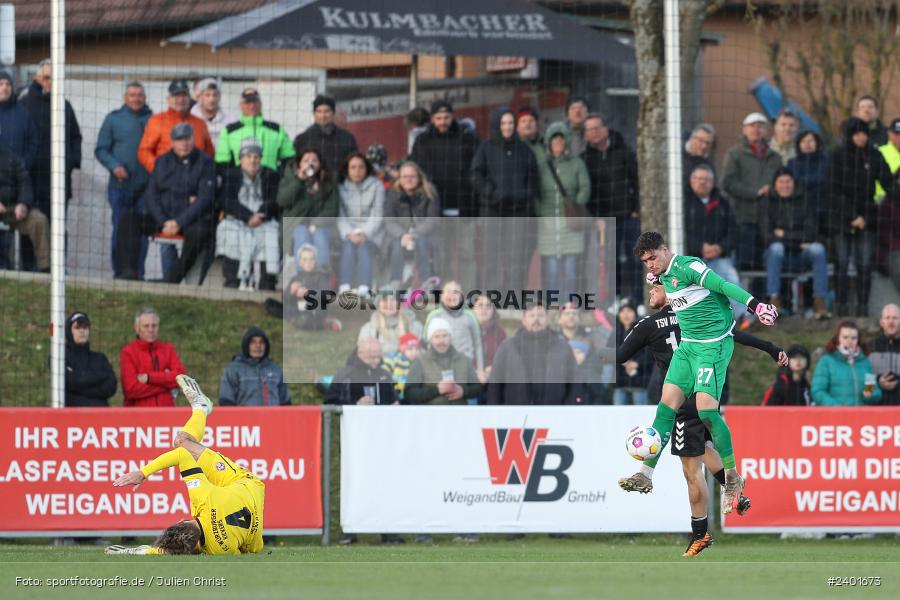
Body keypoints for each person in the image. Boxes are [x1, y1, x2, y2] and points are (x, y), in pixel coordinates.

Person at [616, 283, 784, 555]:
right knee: (703, 450)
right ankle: (734, 490)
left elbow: (620, 356)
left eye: (654, 289)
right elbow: (731, 335)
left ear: (669, 293)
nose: (650, 294)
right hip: (708, 388)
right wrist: (770, 348)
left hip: (684, 400)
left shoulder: (649, 323)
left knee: (691, 472)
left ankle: (700, 533)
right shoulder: (696, 315)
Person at [618, 231, 779, 514]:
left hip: (713, 347)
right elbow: (665, 282)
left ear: (665, 250)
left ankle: (732, 478)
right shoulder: (663, 274)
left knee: (706, 412)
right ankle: (645, 473)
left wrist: (755, 305)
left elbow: (724, 285)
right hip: (688, 348)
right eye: (645, 261)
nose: (650, 264)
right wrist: (657, 277)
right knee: (666, 406)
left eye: (653, 257)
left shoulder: (690, 267)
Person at [107, 375, 265, 555]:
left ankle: (201, 407)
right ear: (181, 522)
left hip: (255, 525)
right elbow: (182, 454)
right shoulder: (202, 496)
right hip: (244, 482)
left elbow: (175, 550)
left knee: (248, 542)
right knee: (182, 442)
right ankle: (201, 407)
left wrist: (134, 552)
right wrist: (143, 472)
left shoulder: (219, 550)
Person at [117, 123, 216, 283]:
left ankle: (172, 279)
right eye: (179, 140)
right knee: (129, 219)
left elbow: (205, 198)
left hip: (189, 221)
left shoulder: (205, 162)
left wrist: (179, 222)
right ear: (172, 142)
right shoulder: (162, 161)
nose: (184, 143)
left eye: (187, 139)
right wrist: (163, 220)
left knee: (201, 232)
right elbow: (151, 194)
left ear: (193, 139)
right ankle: (128, 272)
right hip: (163, 219)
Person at [827, 117, 893, 316]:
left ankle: (863, 307)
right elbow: (833, 190)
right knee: (842, 262)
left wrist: (863, 216)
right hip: (841, 219)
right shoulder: (837, 156)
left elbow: (888, 183)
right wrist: (852, 216)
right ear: (849, 135)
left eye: (864, 133)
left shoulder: (874, 155)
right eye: (856, 133)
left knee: (865, 263)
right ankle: (841, 306)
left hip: (867, 218)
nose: (861, 137)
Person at [410, 100, 479, 290]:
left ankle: (469, 293)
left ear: (453, 117)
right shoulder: (422, 142)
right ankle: (444, 295)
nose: (443, 121)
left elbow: (477, 173)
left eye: (446, 117)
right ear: (432, 119)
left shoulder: (467, 139)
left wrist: (472, 200)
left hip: (464, 209)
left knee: (467, 255)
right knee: (441, 256)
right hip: (435, 212)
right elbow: (416, 174)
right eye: (439, 118)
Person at [471, 106, 538, 292]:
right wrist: (490, 192)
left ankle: (513, 299)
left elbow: (533, 178)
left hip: (518, 213)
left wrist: (524, 194)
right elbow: (476, 175)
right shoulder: (485, 148)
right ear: (496, 125)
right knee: (491, 258)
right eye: (503, 123)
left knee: (515, 259)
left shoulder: (524, 150)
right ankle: (491, 299)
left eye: (510, 123)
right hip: (492, 211)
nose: (507, 127)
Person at [582, 112, 641, 302]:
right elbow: (586, 192)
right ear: (585, 135)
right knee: (609, 261)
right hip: (604, 220)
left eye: (597, 127)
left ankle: (638, 299)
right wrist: (594, 217)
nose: (595, 132)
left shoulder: (624, 152)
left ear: (606, 129)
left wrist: (637, 208)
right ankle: (613, 300)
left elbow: (638, 180)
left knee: (636, 258)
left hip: (628, 215)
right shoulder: (584, 159)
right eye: (590, 129)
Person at [95, 82, 153, 277]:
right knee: (120, 230)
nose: (136, 98)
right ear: (125, 97)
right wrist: (114, 166)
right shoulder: (113, 119)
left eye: (139, 95)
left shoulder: (153, 120)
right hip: (120, 187)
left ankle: (138, 273)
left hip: (146, 189)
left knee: (143, 233)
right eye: (132, 95)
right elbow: (101, 149)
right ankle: (119, 273)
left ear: (145, 98)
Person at [759, 166, 829, 318]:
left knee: (818, 249)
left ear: (794, 183)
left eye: (788, 181)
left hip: (801, 256)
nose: (785, 185)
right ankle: (774, 299)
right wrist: (797, 241)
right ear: (775, 184)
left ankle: (820, 301)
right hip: (776, 257)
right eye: (781, 182)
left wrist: (783, 234)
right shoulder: (766, 202)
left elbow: (811, 233)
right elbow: (767, 236)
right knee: (776, 248)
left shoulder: (805, 200)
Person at [215, 138, 281, 290]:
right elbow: (226, 200)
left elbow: (275, 199)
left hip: (263, 220)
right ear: (241, 159)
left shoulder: (270, 175)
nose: (253, 160)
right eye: (248, 156)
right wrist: (247, 217)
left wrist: (260, 215)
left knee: (271, 235)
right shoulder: (231, 174)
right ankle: (233, 281)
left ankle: (267, 282)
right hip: (237, 219)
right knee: (227, 230)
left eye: (256, 156)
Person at [20, 59, 82, 219]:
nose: (51, 82)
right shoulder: (24, 105)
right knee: (32, 232)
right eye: (47, 78)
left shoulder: (64, 105)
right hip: (31, 181)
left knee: (59, 230)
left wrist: (71, 161)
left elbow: (75, 136)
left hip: (59, 181)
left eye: (55, 78)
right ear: (37, 78)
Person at [536, 122, 590, 304]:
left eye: (561, 139)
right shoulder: (542, 166)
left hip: (571, 224)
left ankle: (569, 307)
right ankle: (552, 306)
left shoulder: (577, 164)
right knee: (550, 270)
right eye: (554, 140)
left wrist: (575, 204)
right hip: (548, 226)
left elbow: (585, 187)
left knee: (571, 271)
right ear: (549, 143)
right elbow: (535, 192)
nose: (558, 143)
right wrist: (540, 212)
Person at [683, 164, 744, 324]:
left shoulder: (722, 203)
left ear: (713, 182)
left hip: (719, 257)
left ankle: (741, 319)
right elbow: (679, 231)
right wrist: (699, 247)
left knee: (730, 276)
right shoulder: (682, 202)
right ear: (691, 181)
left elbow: (734, 232)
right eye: (699, 179)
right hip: (690, 258)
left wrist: (720, 248)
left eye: (707, 179)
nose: (702, 183)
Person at [721, 112, 782, 270]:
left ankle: (763, 296)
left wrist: (772, 190)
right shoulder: (734, 154)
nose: (756, 129)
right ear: (744, 129)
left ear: (766, 130)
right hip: (742, 217)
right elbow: (727, 182)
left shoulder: (775, 157)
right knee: (745, 263)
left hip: (768, 218)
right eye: (752, 126)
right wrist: (755, 193)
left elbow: (781, 183)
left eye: (760, 126)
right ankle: (741, 296)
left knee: (765, 263)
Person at [486, 304, 577, 405]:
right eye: (531, 315)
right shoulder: (507, 347)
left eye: (540, 315)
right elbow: (495, 385)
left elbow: (574, 384)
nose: (536, 319)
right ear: (523, 320)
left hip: (553, 413)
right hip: (516, 414)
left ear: (547, 319)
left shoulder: (562, 347)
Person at [278, 148, 339, 268]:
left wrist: (316, 224)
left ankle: (322, 277)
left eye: (314, 160)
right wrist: (299, 181)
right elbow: (282, 200)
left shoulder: (327, 182)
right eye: (306, 160)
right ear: (299, 163)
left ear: (320, 164)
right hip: (294, 225)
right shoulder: (290, 179)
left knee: (321, 236)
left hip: (321, 226)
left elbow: (332, 209)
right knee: (301, 234)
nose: (310, 163)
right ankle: (302, 279)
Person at [383, 161, 441, 286]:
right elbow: (389, 220)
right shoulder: (393, 193)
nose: (408, 180)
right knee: (396, 245)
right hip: (398, 236)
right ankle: (395, 282)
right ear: (399, 178)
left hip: (424, 235)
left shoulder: (429, 192)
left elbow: (432, 219)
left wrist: (414, 234)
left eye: (412, 176)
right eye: (404, 176)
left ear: (419, 177)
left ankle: (426, 282)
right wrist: (402, 235)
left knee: (422, 243)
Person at [137, 79, 213, 174]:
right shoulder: (156, 121)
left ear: (189, 98)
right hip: (166, 182)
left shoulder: (200, 123)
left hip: (195, 182)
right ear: (168, 99)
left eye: (184, 95)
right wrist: (160, 171)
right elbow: (144, 152)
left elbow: (209, 153)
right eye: (176, 95)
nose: (180, 99)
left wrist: (204, 173)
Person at [336, 152, 384, 295]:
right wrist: (349, 233)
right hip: (348, 232)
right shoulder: (340, 187)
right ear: (347, 169)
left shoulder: (377, 186)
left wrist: (364, 233)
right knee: (348, 247)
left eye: (361, 167)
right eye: (353, 167)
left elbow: (377, 214)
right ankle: (345, 287)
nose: (357, 171)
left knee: (364, 247)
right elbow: (340, 215)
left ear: (366, 169)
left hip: (371, 233)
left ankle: (365, 287)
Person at [215, 87, 294, 172]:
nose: (252, 106)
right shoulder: (229, 131)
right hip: (240, 182)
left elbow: (289, 158)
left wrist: (278, 177)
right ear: (241, 105)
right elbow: (222, 163)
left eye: (255, 102)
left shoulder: (276, 130)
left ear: (260, 104)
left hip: (269, 182)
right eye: (248, 102)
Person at [405, 318, 481, 405]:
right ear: (430, 339)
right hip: (432, 416)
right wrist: (436, 390)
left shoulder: (464, 359)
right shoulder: (420, 361)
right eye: (437, 336)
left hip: (460, 415)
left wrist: (463, 391)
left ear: (451, 337)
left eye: (445, 335)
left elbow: (477, 388)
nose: (441, 341)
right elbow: (409, 394)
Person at [120, 308, 186, 407]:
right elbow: (131, 389)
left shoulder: (168, 349)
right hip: (139, 416)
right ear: (137, 328)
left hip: (166, 415)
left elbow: (182, 379)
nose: (151, 330)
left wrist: (149, 378)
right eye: (146, 326)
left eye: (154, 326)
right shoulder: (128, 352)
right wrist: (167, 383)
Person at [0, 146, 50, 272]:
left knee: (38, 220)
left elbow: (24, 181)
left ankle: (45, 269)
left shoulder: (11, 158)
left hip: (11, 209)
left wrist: (23, 203)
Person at [811, 321, 882, 406]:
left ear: (858, 340)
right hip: (835, 417)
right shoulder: (826, 361)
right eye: (845, 337)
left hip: (861, 417)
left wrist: (870, 394)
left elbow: (873, 389)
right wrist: (836, 407)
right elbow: (818, 391)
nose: (849, 341)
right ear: (838, 339)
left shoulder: (865, 362)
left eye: (853, 338)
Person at [219, 327, 291, 406]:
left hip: (272, 418)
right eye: (253, 342)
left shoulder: (276, 370)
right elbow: (226, 402)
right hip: (244, 418)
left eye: (262, 342)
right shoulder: (233, 370)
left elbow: (286, 403)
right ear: (246, 345)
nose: (258, 346)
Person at [423, 280, 484, 373]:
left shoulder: (470, 315)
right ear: (442, 296)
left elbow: (478, 344)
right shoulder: (434, 315)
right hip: (440, 367)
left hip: (465, 366)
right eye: (448, 291)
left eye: (455, 292)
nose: (452, 295)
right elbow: (426, 342)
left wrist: (480, 369)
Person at [293, 94, 358, 178]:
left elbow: (354, 163)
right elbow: (294, 167)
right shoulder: (302, 139)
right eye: (319, 111)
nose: (323, 116)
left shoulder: (347, 138)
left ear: (333, 113)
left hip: (340, 187)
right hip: (309, 188)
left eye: (327, 111)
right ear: (314, 113)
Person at [63, 312, 117, 407]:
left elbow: (111, 387)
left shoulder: (100, 358)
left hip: (100, 417)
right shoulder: (61, 358)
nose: (82, 331)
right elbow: (70, 382)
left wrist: (78, 389)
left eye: (85, 327)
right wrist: (100, 377)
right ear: (69, 331)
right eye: (77, 328)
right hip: (72, 417)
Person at [324, 337, 397, 406]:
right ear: (360, 354)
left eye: (379, 357)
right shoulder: (344, 375)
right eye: (372, 357)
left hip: (383, 418)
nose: (377, 360)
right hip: (353, 418)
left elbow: (394, 399)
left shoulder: (385, 375)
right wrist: (356, 405)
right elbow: (329, 404)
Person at [283, 244, 335, 331]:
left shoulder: (321, 276)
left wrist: (309, 293)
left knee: (312, 314)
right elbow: (286, 298)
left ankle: (311, 321)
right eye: (304, 259)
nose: (308, 262)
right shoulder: (296, 278)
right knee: (275, 305)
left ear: (315, 261)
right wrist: (291, 291)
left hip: (313, 309)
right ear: (300, 262)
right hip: (297, 308)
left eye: (311, 259)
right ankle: (296, 319)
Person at [357, 290, 423, 355]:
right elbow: (363, 354)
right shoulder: (368, 328)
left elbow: (423, 352)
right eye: (385, 300)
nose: (389, 304)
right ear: (378, 304)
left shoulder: (414, 326)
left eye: (393, 300)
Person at [614, 301, 652, 405]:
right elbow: (607, 352)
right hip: (620, 383)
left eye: (629, 311)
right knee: (619, 417)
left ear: (635, 313)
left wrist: (637, 363)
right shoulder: (615, 332)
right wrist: (622, 361)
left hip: (639, 383)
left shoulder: (643, 329)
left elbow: (650, 353)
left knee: (641, 417)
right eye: (622, 311)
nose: (626, 314)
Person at [786, 130, 828, 222]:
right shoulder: (792, 162)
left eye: (810, 141)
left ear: (817, 143)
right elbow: (793, 183)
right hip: (799, 208)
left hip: (823, 207)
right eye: (803, 141)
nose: (807, 144)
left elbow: (824, 180)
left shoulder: (826, 161)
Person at [0, 71, 37, 172]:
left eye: (8, 84)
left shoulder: (23, 113)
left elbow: (32, 141)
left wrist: (24, 164)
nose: (5, 87)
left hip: (15, 177)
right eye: (1, 84)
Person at [472, 293, 506, 384]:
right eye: (480, 305)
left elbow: (505, 358)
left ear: (493, 311)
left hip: (493, 379)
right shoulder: (465, 330)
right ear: (472, 309)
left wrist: (493, 368)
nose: (484, 309)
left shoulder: (500, 333)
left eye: (488, 306)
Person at [870, 303, 900, 406]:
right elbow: (864, 380)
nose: (891, 321)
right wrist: (878, 382)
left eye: (895, 318)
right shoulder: (869, 347)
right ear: (881, 322)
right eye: (887, 318)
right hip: (876, 412)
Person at [190, 78, 230, 147]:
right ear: (200, 97)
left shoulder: (230, 119)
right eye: (207, 95)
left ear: (219, 97)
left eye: (215, 95)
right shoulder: (190, 119)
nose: (211, 99)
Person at [383, 332, 420, 402]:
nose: (414, 352)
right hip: (394, 396)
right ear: (403, 349)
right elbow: (383, 374)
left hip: (411, 397)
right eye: (410, 349)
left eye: (417, 349)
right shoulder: (394, 358)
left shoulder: (419, 362)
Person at [682, 123, 716, 191]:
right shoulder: (676, 154)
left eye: (707, 143)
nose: (704, 146)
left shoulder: (709, 165)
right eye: (700, 141)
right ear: (691, 139)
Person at [875, 118, 900, 201]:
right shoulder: (879, 152)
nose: (899, 138)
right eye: (896, 134)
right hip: (882, 199)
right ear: (889, 134)